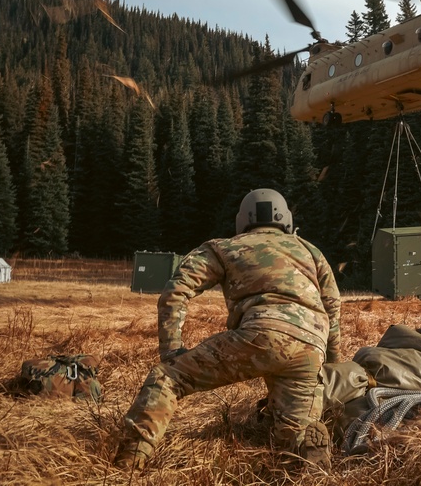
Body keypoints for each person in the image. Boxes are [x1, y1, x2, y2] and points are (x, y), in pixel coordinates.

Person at [114, 188, 341, 472]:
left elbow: (175, 292)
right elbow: (333, 308)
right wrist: (331, 364)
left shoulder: (223, 247)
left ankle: (128, 463)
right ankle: (303, 449)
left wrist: (171, 351)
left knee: (167, 377)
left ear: (242, 220)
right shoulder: (310, 250)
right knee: (292, 435)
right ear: (286, 220)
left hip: (260, 334)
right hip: (310, 348)